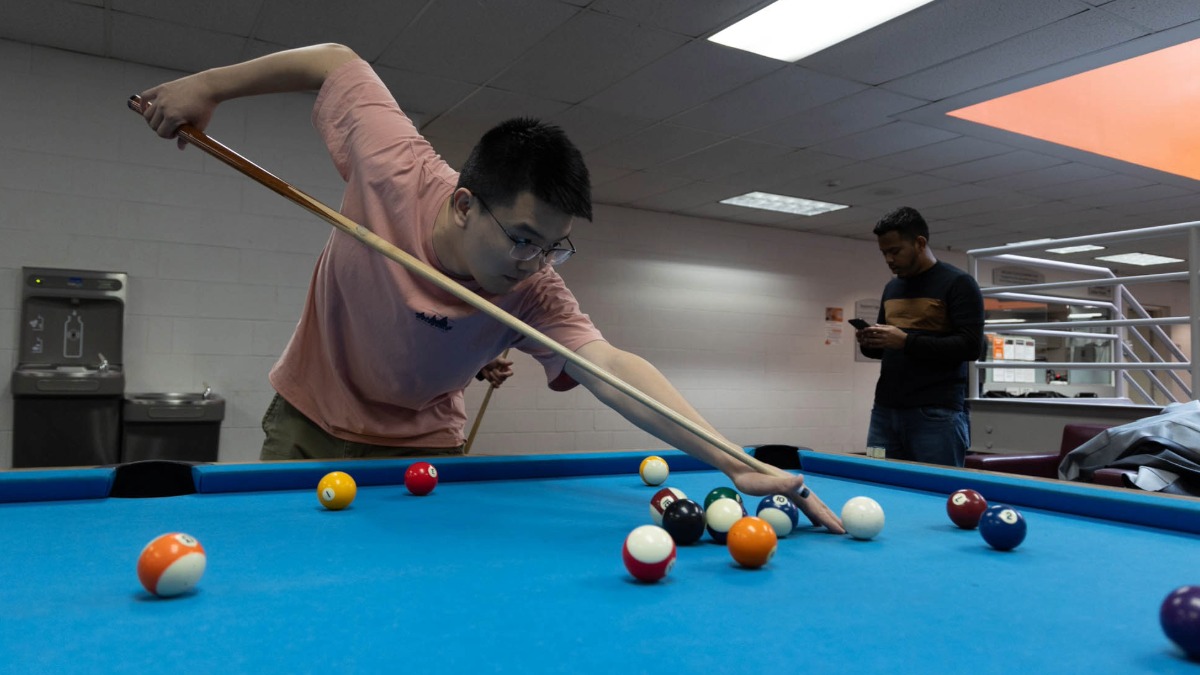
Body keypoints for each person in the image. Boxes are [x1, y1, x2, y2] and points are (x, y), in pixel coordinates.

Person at [136, 43, 843, 531]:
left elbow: (612, 368)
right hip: (306, 420)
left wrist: (732, 460)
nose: (536, 264)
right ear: (466, 202)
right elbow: (335, 61)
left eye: (554, 247)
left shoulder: (533, 291)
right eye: (524, 240)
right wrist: (208, 85)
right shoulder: (393, 163)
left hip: (422, 443)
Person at [855, 206, 984, 467]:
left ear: (919, 243)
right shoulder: (892, 287)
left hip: (936, 415)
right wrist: (871, 343)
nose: (889, 259)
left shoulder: (958, 283)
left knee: (937, 488)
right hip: (884, 412)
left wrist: (905, 341)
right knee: (878, 477)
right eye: (884, 253)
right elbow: (889, 347)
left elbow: (971, 347)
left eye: (895, 251)